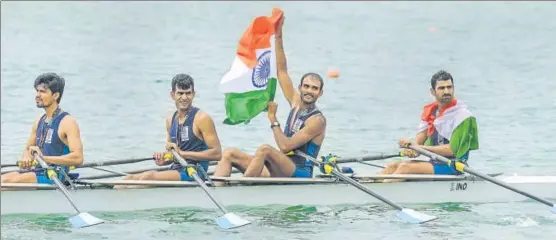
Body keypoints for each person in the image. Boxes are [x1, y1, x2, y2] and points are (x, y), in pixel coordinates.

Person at [213, 14, 327, 186]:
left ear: (320, 93)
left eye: (314, 88)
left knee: (265, 149)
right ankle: (217, 191)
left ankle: (241, 191)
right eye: (306, 86)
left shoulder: (317, 120)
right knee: (229, 153)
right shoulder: (296, 102)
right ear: (300, 87)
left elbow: (285, 147)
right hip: (280, 167)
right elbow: (281, 70)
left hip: (300, 172)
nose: (309, 91)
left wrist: (273, 119)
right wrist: (278, 33)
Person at [117, 74, 222, 186]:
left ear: (194, 94)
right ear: (172, 95)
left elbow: (217, 154)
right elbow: (173, 154)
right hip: (177, 168)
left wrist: (182, 154)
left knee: (148, 177)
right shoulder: (170, 120)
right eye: (180, 93)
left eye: (188, 93)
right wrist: (163, 160)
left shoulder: (202, 118)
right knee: (129, 178)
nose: (184, 97)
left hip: (195, 171)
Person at [380, 70, 479, 182]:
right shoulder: (431, 112)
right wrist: (411, 148)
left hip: (454, 166)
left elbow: (452, 150)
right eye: (442, 88)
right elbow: (419, 143)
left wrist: (419, 148)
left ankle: (382, 193)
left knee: (405, 167)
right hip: (435, 163)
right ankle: (370, 187)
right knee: (392, 166)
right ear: (432, 91)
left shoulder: (463, 116)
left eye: (449, 87)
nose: (447, 91)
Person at [1, 73, 84, 184]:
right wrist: (26, 157)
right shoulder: (39, 120)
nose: (37, 95)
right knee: (3, 178)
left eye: (43, 92)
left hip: (55, 175)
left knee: (10, 181)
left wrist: (45, 159)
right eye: (37, 91)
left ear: (55, 96)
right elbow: (28, 149)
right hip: (37, 171)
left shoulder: (68, 122)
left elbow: (78, 158)